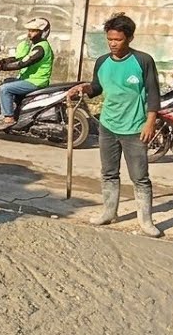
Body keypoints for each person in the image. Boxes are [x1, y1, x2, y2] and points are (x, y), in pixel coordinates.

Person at [67, 13, 162, 237]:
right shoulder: (102, 61)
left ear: (129, 38)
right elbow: (97, 88)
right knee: (109, 173)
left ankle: (146, 221)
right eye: (109, 39)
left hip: (135, 128)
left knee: (140, 176)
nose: (112, 44)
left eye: (117, 39)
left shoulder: (143, 61)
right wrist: (83, 89)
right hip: (108, 126)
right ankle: (109, 212)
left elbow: (153, 92)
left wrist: (150, 121)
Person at [0, 18, 55, 130]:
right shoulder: (36, 46)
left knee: (4, 89)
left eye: (33, 31)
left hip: (36, 81)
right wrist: (0, 61)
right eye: (29, 30)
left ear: (42, 32)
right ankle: (16, 112)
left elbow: (23, 63)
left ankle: (9, 118)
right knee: (6, 82)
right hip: (29, 79)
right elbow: (20, 58)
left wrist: (2, 67)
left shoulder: (41, 48)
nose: (29, 34)